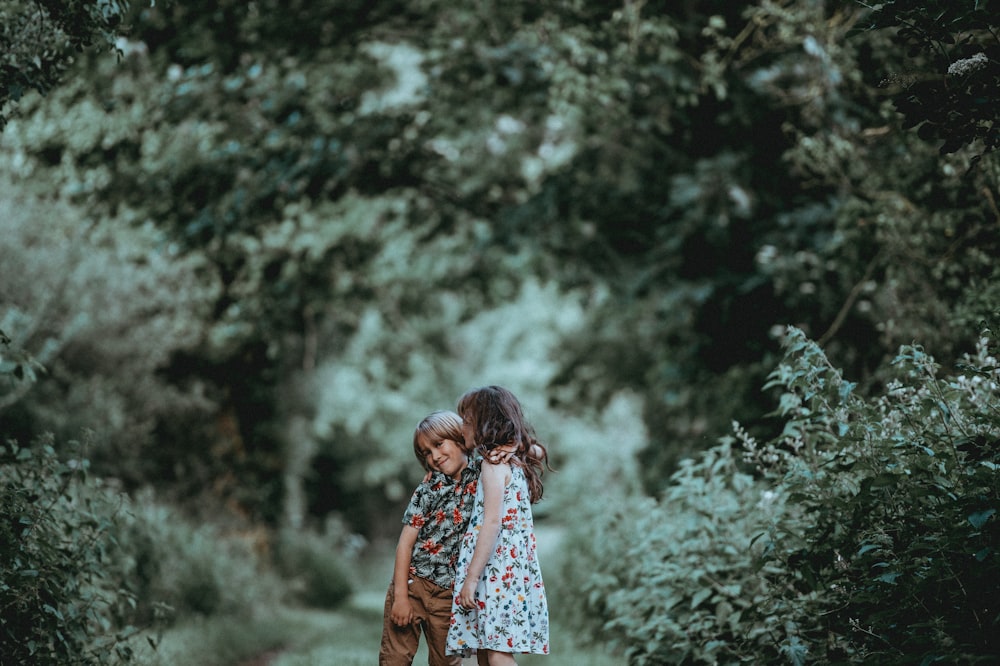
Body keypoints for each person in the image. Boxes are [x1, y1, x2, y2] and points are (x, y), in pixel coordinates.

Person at [379, 410, 517, 666]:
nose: (434, 456)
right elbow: (405, 544)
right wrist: (400, 597)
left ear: (460, 436)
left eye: (439, 444)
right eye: (426, 453)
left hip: (450, 596)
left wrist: (511, 446)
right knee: (394, 659)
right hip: (413, 585)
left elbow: (533, 454)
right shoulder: (429, 488)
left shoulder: (485, 473)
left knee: (446, 662)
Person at [447, 386, 550, 665]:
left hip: (495, 572)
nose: (462, 428)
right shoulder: (513, 459)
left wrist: (471, 579)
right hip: (506, 571)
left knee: (496, 654)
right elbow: (538, 450)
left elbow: (491, 523)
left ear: (484, 425)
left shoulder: (493, 465)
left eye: (467, 421)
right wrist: (516, 444)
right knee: (486, 649)